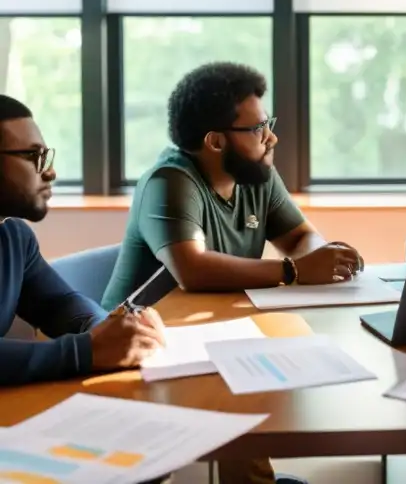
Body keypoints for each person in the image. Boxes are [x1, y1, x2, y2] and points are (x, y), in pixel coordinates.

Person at [100, 62, 363, 484]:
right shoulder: (170, 181)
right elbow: (193, 269)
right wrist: (295, 270)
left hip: (209, 335)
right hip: (136, 349)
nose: (272, 137)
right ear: (216, 140)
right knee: (243, 396)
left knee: (264, 385)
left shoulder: (255, 173)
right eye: (259, 128)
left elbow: (300, 237)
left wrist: (322, 257)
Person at [0, 94, 165, 386]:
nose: (50, 172)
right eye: (32, 156)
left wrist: (106, 327)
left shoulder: (14, 235)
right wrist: (85, 352)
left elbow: (58, 303)